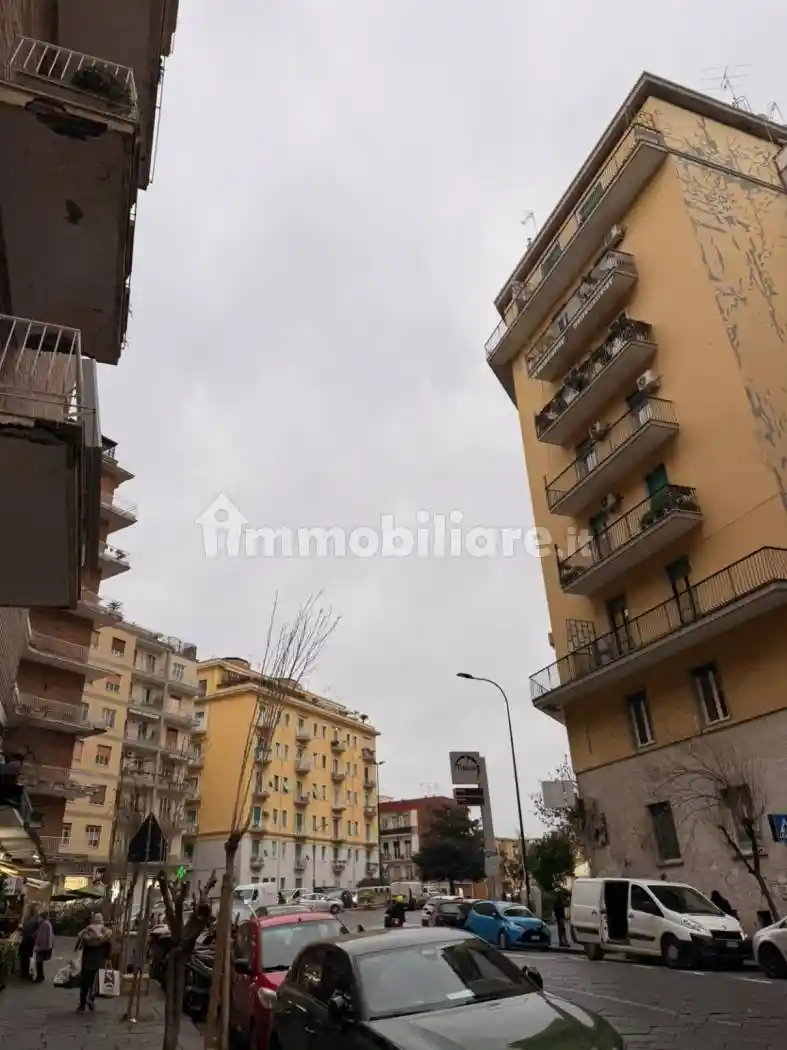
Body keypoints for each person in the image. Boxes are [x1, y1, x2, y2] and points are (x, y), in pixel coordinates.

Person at [75, 914, 111, 1012]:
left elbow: (78, 945)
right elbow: (108, 949)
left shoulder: (86, 931)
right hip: (99, 961)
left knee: (84, 984)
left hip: (87, 961)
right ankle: (91, 1000)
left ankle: (82, 1004)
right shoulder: (106, 933)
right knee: (95, 984)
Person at [17, 907, 39, 980]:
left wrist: (21, 928)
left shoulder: (28, 922)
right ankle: (30, 974)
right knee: (31, 958)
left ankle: (25, 974)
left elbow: (25, 933)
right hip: (33, 942)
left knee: (24, 959)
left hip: (26, 942)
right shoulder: (36, 921)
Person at [33, 910, 54, 983]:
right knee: (40, 962)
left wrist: (37, 946)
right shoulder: (48, 923)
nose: (38, 919)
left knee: (38, 962)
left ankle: (39, 977)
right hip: (47, 946)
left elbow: (41, 936)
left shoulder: (44, 924)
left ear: (42, 917)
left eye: (39, 917)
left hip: (42, 946)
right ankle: (41, 976)